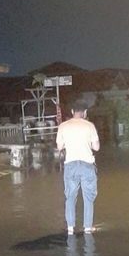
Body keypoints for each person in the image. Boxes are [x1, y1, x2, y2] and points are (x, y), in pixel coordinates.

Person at [56, 100, 100, 234]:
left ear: (72, 112)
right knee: (88, 197)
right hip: (87, 165)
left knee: (70, 196)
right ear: (85, 112)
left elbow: (59, 147)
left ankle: (70, 228)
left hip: (70, 165)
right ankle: (87, 227)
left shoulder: (63, 126)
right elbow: (96, 147)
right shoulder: (89, 126)